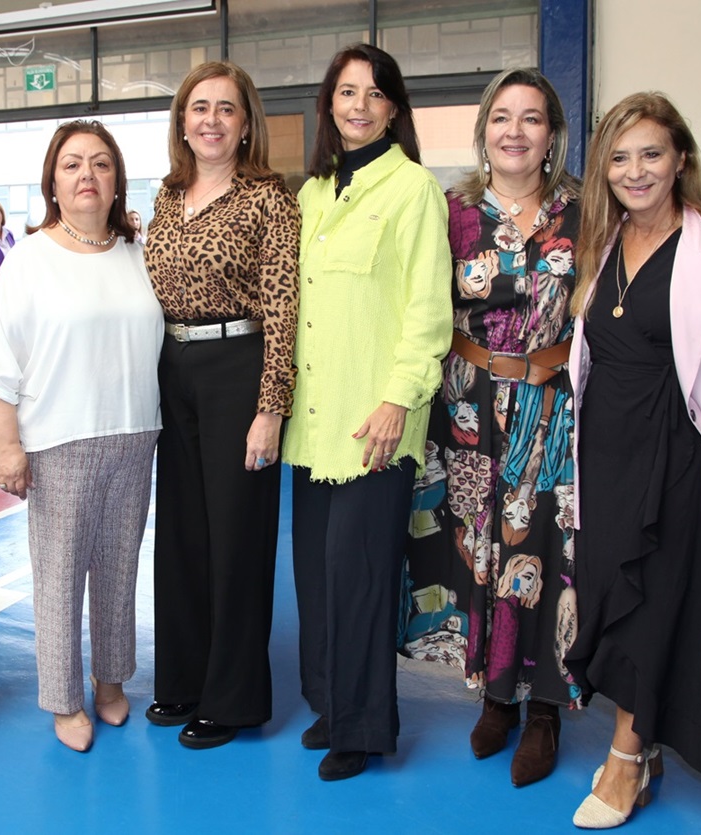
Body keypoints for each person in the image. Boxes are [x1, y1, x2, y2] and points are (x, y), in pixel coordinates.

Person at [565, 92, 701, 829]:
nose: (635, 170)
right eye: (619, 158)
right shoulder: (602, 241)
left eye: (650, 153)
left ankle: (626, 759)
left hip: (680, 450)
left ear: (679, 158)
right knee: (607, 592)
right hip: (604, 445)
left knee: (653, 601)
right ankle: (642, 742)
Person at [401, 67, 583, 787]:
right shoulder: (451, 213)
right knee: (479, 545)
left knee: (543, 547)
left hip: (550, 406)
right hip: (467, 402)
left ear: (551, 135)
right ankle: (495, 694)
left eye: (530, 117)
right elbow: (417, 303)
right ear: (481, 133)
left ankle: (543, 707)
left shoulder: (582, 212)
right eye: (500, 117)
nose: (514, 130)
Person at [283, 44, 452, 781]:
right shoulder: (312, 194)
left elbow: (426, 307)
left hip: (374, 418)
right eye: (345, 92)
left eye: (372, 93)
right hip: (313, 420)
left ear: (392, 108)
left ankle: (363, 726)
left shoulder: (413, 190)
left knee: (359, 578)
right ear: (328, 104)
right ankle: (329, 702)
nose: (357, 105)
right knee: (317, 577)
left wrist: (396, 399)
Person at [0, 120, 163, 753]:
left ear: (117, 182)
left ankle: (111, 683)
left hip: (135, 433)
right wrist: (7, 446)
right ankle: (62, 700)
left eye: (101, 164)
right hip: (59, 440)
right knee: (59, 576)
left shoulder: (138, 253)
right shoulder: (28, 260)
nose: (88, 175)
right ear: (53, 182)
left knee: (118, 569)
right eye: (73, 164)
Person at [143, 61, 300, 750]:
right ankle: (181, 677)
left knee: (235, 537)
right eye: (198, 107)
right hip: (170, 368)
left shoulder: (270, 198)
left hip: (238, 365)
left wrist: (270, 406)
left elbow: (283, 306)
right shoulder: (166, 196)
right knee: (180, 533)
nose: (210, 119)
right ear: (182, 121)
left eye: (225, 108)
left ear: (245, 124)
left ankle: (233, 698)